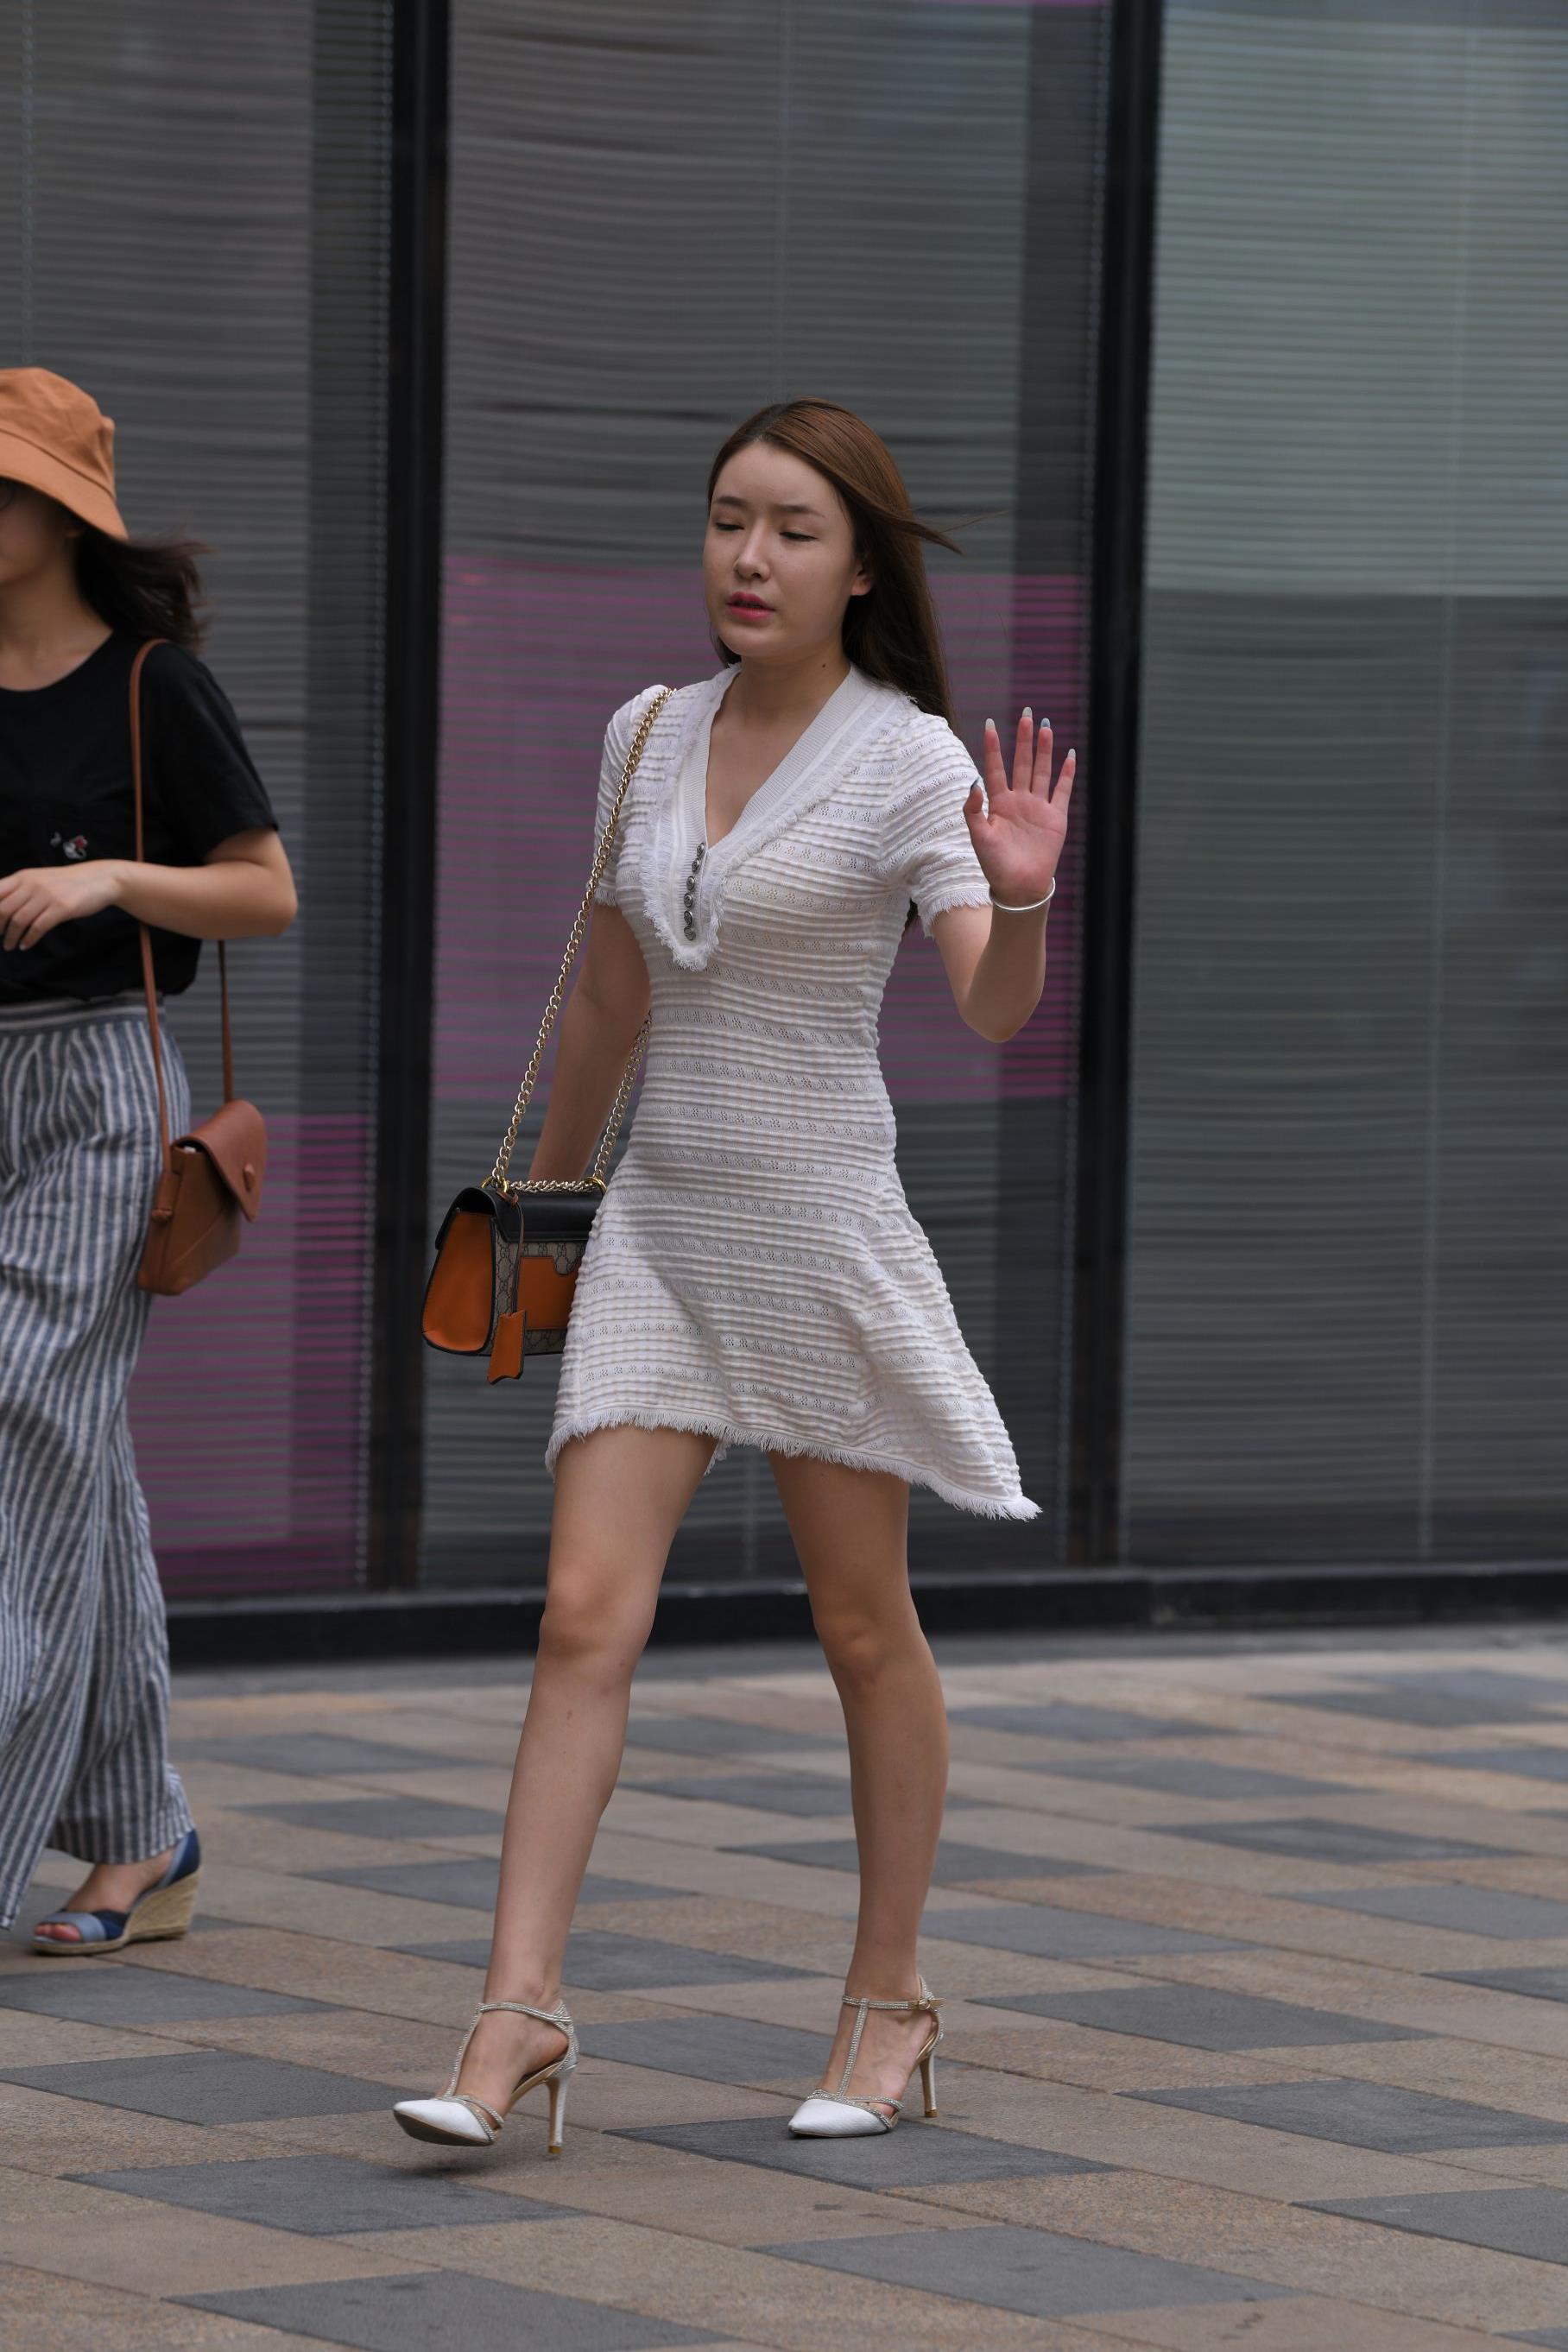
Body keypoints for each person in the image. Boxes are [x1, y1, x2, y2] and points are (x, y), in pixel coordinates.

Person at [393, 396, 1073, 2155]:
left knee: (860, 1626)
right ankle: (515, 2014)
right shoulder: (646, 732)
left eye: (790, 530)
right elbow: (613, 989)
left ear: (861, 569)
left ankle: (889, 1999)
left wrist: (1020, 897)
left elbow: (990, 1010)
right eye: (725, 522)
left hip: (815, 1228)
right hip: (660, 1228)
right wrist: (552, 1208)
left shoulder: (909, 760)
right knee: (581, 1615)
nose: (747, 559)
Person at [0, 367, 296, 1951]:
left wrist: (112, 876)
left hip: (99, 1087)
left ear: (63, 515)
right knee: (69, 1454)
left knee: (20, 1415)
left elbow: (266, 890)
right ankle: (141, 1838)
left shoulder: (151, 686)